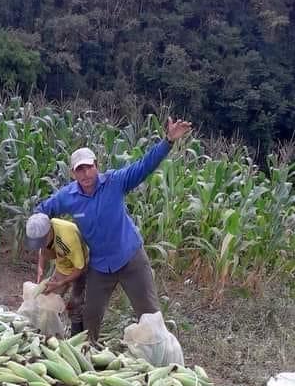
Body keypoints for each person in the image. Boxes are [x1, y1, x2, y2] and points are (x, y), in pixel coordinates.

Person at [35, 117, 192, 341]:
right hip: (100, 265)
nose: (85, 174)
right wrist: (36, 225)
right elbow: (42, 210)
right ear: (72, 173)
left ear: (96, 166)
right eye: (80, 170)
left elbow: (144, 166)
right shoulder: (68, 197)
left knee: (150, 315)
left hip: (130, 258)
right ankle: (87, 356)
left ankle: (160, 358)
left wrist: (168, 141)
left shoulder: (115, 182)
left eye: (89, 167)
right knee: (91, 316)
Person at [24, 212, 88, 336]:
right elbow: (43, 250)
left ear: (49, 232)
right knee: (48, 301)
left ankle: (77, 336)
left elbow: (80, 268)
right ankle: (45, 333)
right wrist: (40, 268)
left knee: (75, 304)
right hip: (63, 264)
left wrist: (61, 283)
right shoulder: (44, 232)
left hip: (81, 266)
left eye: (41, 241)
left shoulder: (68, 237)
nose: (40, 244)